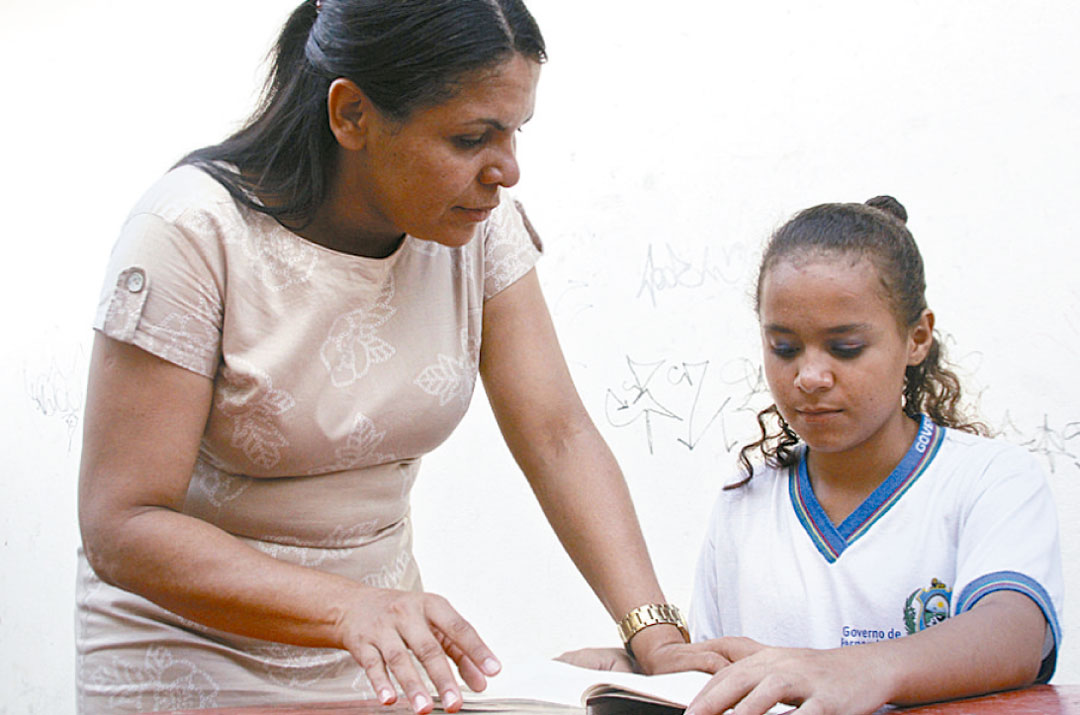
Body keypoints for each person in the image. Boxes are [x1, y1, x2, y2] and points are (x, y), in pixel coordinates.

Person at [75, 1, 720, 713]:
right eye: (473, 136)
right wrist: (347, 608)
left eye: (514, 132)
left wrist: (655, 634)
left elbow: (558, 435)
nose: (506, 170)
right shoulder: (192, 233)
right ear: (351, 115)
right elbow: (123, 525)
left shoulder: (475, 228)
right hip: (193, 664)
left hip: (386, 663)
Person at [683, 196, 1063, 714]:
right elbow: (714, 679)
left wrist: (863, 669)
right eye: (785, 349)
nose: (810, 377)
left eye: (845, 348)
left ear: (917, 338)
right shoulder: (743, 501)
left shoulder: (990, 479)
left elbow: (1015, 634)